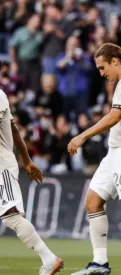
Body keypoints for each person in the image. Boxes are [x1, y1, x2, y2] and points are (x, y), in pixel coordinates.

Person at [68, 43, 121, 275]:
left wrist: (83, 135)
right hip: (115, 152)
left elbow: (115, 116)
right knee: (92, 201)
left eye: (102, 67)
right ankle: (100, 263)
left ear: (114, 61)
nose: (101, 72)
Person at [0, 87, 63, 275]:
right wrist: (27, 161)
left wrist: (26, 160)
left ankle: (49, 258)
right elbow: (14, 129)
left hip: (2, 166)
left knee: (11, 217)